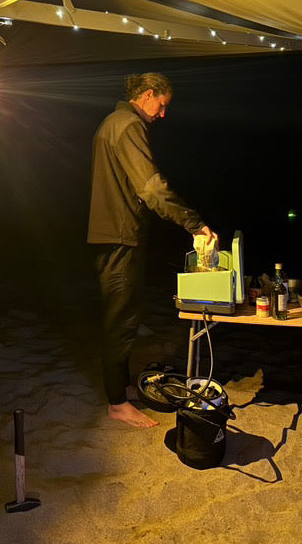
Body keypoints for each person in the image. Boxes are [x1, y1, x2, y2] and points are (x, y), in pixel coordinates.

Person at [87, 73, 218, 428]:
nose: (163, 115)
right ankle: (116, 403)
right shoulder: (128, 126)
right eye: (162, 106)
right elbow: (152, 188)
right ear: (147, 95)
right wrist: (194, 223)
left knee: (122, 314)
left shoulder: (112, 122)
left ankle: (121, 388)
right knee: (120, 319)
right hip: (119, 235)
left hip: (112, 232)